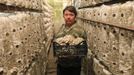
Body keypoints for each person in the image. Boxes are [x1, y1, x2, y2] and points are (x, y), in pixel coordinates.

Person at [54, 6, 87, 75]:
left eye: (71, 15)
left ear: (75, 16)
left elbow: (84, 48)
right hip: (61, 64)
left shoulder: (80, 30)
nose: (68, 17)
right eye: (66, 15)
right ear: (63, 16)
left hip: (74, 66)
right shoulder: (60, 29)